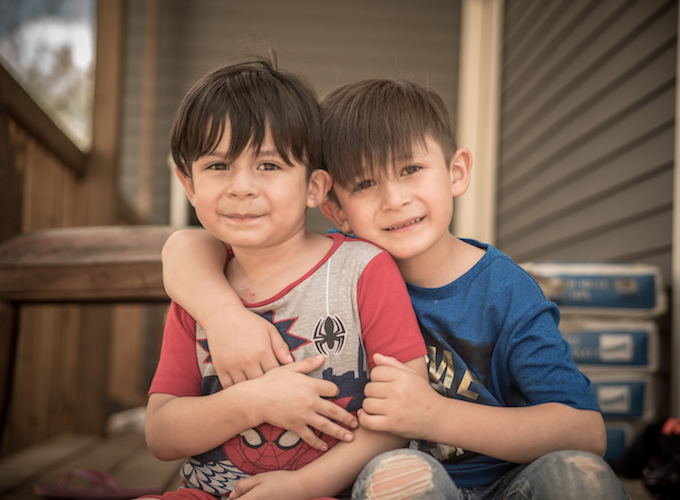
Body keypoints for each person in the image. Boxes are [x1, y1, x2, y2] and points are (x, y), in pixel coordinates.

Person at [161, 77, 630, 500]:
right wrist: (222, 315)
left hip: (512, 483)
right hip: (392, 477)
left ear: (456, 171)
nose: (394, 199)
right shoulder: (333, 269)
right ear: (336, 209)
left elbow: (585, 432)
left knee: (576, 474)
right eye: (365, 183)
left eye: (410, 170)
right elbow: (185, 248)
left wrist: (434, 417)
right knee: (399, 474)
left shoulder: (504, 289)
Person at [144, 58, 428, 500]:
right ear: (189, 184)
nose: (241, 187)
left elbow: (401, 418)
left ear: (315, 187)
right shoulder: (199, 292)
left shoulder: (362, 272)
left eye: (269, 166)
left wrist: (300, 486)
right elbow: (161, 434)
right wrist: (254, 401)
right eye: (218, 166)